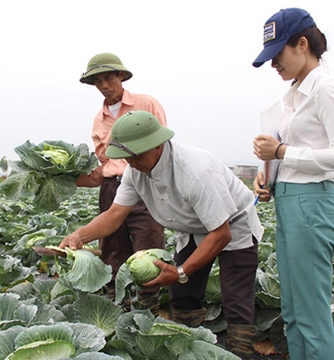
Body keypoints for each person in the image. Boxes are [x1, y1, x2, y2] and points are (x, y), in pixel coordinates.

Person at [61, 110, 263, 359]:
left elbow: (221, 234)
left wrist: (181, 271)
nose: (131, 161)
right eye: (127, 155)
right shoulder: (136, 171)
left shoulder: (196, 171)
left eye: (136, 154)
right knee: (182, 294)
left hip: (233, 224)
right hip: (191, 227)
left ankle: (240, 352)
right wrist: (80, 235)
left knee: (235, 296)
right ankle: (188, 346)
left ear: (157, 145)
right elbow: (115, 214)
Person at [252, 8, 334, 360]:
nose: (274, 65)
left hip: (312, 200)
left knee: (311, 308)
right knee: (293, 308)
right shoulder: (294, 95)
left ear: (303, 44)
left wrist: (283, 151)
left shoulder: (325, 89)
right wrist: (268, 174)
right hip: (289, 198)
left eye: (277, 55)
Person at [76, 53, 167, 315]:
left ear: (121, 77)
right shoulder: (98, 119)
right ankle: (119, 311)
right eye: (98, 81)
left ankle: (148, 313)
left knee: (148, 248)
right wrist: (70, 178)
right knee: (112, 251)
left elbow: (161, 147)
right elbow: (104, 165)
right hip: (112, 188)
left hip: (144, 184)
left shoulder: (146, 104)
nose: (104, 85)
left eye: (108, 78)